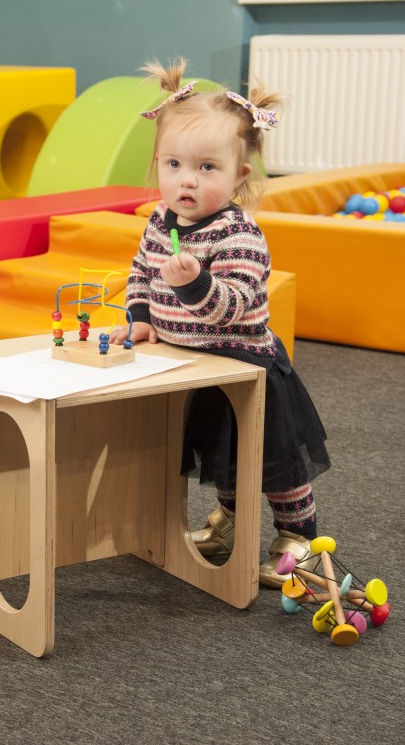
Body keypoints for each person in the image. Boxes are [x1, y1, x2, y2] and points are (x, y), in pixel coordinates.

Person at [109, 58, 330, 588]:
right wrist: (139, 316)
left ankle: (298, 537)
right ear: (158, 164)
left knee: (273, 460)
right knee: (219, 454)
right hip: (193, 365)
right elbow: (140, 274)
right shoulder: (159, 224)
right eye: (174, 165)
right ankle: (231, 522)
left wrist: (193, 285)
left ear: (239, 177)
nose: (186, 181)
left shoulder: (239, 233)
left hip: (247, 367)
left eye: (207, 168)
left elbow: (233, 303)